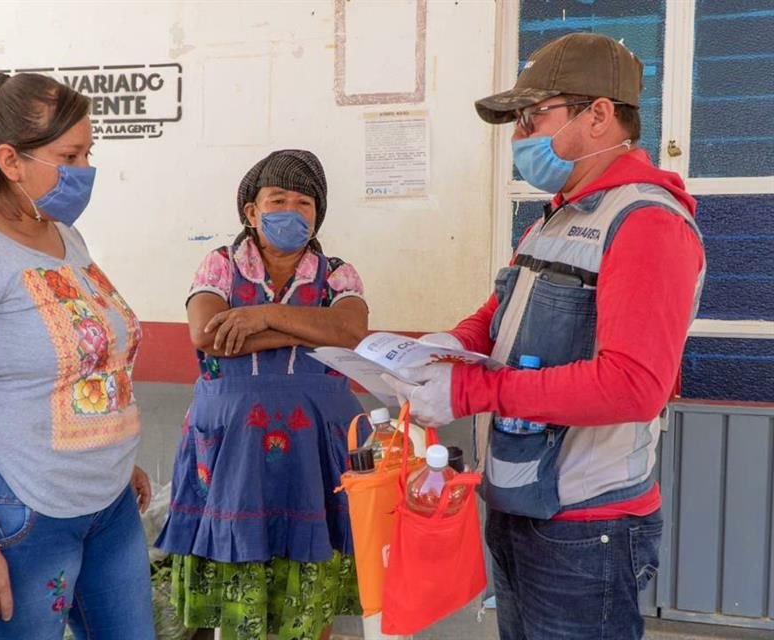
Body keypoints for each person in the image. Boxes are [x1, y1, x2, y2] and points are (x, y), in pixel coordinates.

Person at [385, 33, 706, 640]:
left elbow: (632, 387)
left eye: (534, 117)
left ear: (600, 115)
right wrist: (444, 348)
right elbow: (498, 312)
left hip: (586, 525)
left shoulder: (645, 224)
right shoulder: (559, 215)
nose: (519, 137)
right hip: (520, 504)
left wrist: (470, 392)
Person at [0, 69, 155, 640]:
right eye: (70, 155)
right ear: (11, 161)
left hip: (105, 504)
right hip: (15, 513)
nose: (86, 171)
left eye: (89, 153)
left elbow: (87, 364)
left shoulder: (64, 237)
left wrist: (109, 451)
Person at [155, 150, 368, 640]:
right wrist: (311, 328)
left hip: (315, 453)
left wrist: (260, 316)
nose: (291, 212)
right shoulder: (219, 265)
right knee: (234, 574)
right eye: (278, 200)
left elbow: (352, 329)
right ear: (251, 212)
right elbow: (206, 333)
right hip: (232, 451)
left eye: (304, 203)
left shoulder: (337, 273)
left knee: (311, 587)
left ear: (318, 215)